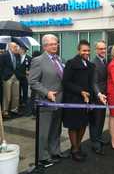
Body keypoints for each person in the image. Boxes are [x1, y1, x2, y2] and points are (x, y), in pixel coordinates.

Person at [29, 34, 65, 168]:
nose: (54, 46)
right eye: (51, 44)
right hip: (45, 101)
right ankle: (43, 157)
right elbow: (32, 82)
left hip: (60, 101)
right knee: (44, 131)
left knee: (56, 129)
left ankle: (55, 151)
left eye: (55, 43)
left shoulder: (59, 59)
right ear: (44, 46)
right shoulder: (38, 60)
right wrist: (47, 93)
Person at [62, 40, 95, 162]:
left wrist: (90, 98)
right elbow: (66, 82)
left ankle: (76, 146)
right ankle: (75, 150)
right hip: (73, 99)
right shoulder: (71, 63)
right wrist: (80, 91)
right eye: (84, 50)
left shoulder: (90, 65)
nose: (86, 52)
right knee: (73, 125)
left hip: (86, 101)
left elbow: (91, 84)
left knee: (82, 125)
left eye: (88, 50)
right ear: (78, 51)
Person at [89, 40, 107, 155]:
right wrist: (99, 94)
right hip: (97, 97)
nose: (103, 51)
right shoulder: (94, 63)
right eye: (101, 49)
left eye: (104, 48)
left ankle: (99, 138)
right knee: (95, 121)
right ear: (96, 50)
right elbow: (94, 82)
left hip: (103, 96)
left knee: (101, 120)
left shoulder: (104, 61)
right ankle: (95, 144)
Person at [0, 42, 21, 119]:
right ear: (10, 47)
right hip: (7, 77)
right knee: (7, 96)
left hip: (16, 77)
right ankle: (5, 111)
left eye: (17, 47)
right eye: (15, 47)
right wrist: (2, 77)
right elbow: (1, 67)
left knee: (16, 95)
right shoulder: (4, 55)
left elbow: (18, 65)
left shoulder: (17, 55)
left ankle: (14, 110)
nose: (16, 48)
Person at [17, 45, 32, 109]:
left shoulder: (29, 58)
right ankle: (19, 101)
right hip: (17, 76)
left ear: (23, 50)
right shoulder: (16, 57)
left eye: (20, 49)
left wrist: (29, 71)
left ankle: (24, 102)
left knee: (25, 89)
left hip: (25, 76)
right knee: (18, 90)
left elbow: (30, 67)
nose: (19, 50)